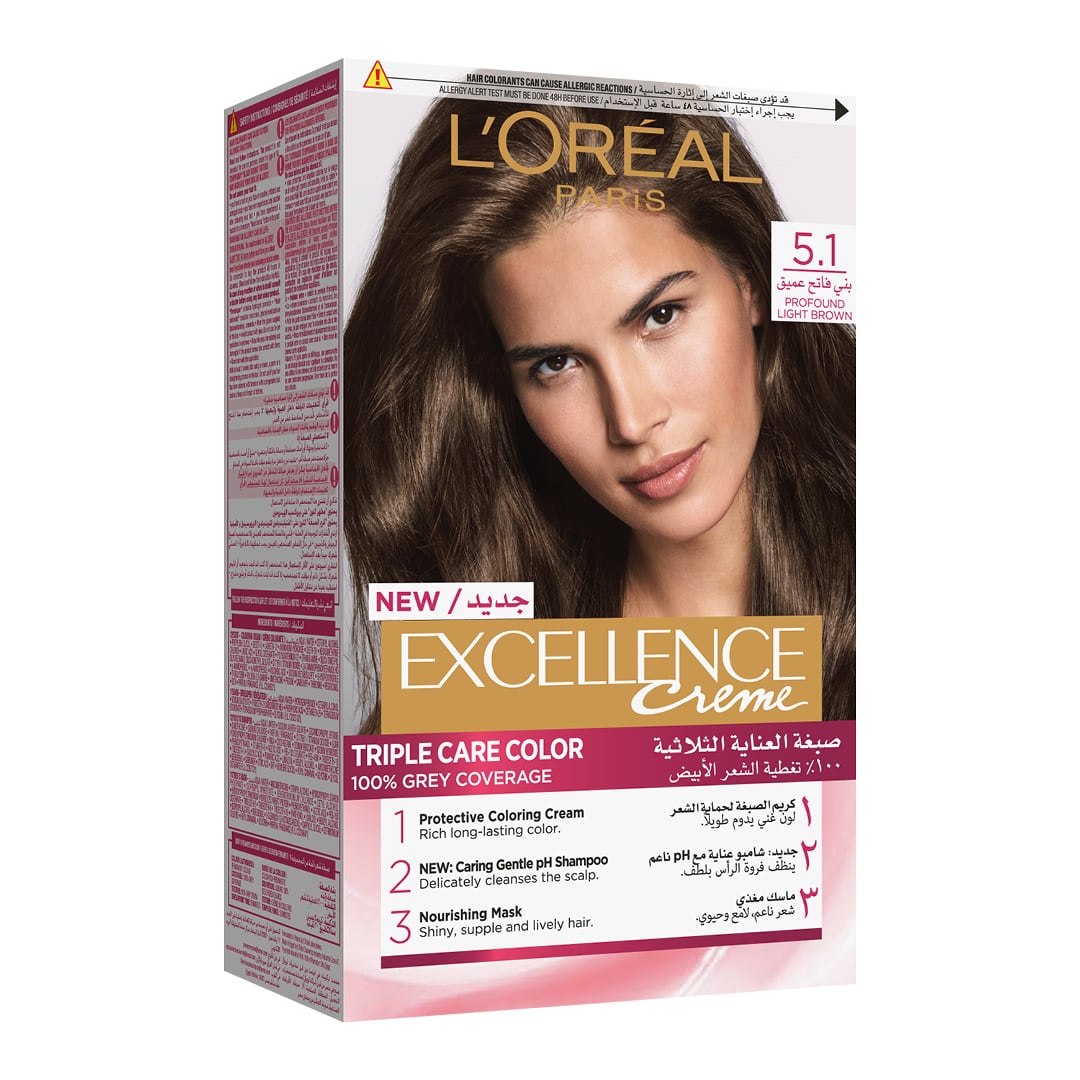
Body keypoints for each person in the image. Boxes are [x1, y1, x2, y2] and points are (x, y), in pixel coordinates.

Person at [343, 100, 855, 729]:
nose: (632, 422)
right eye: (555, 363)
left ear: (750, 279)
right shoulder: (483, 687)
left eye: (661, 316)